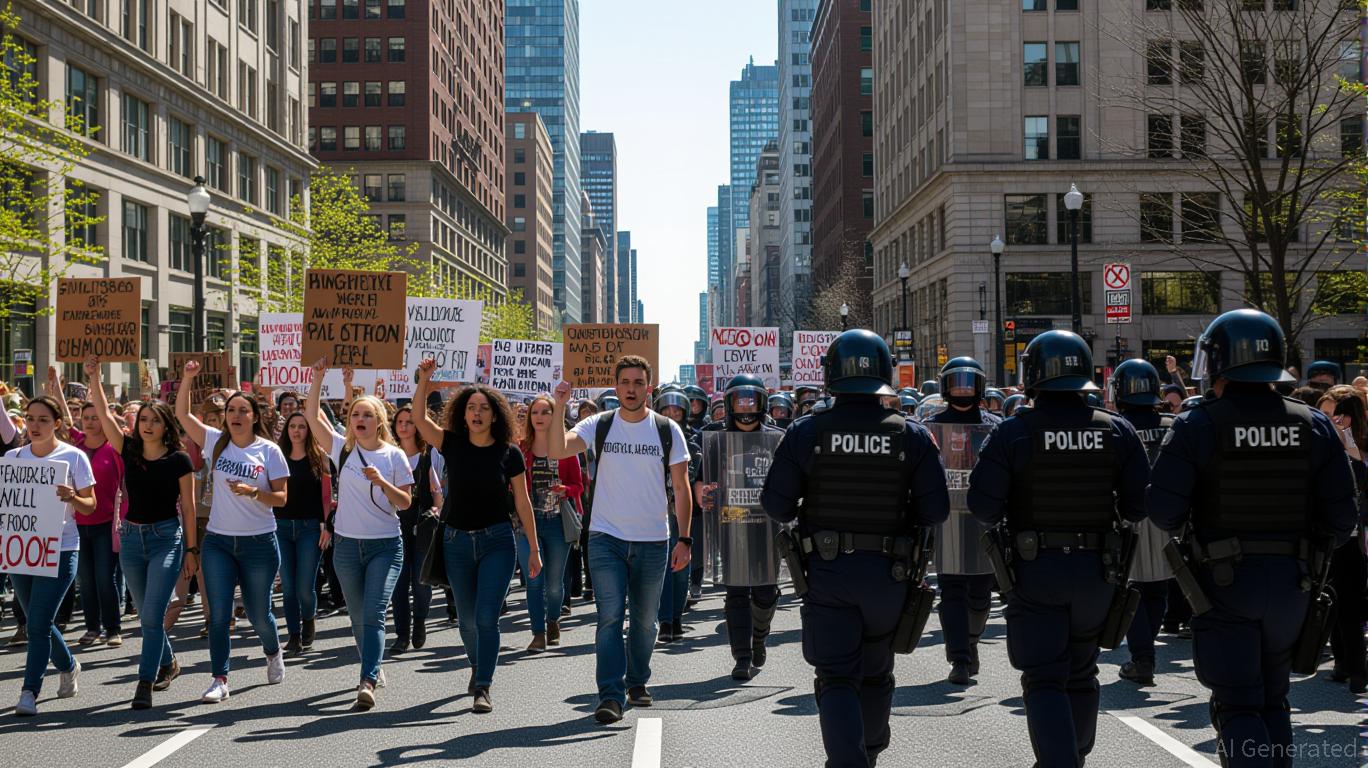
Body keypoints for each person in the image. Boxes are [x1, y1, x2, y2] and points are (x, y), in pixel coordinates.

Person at [1147, 309, 1357, 766]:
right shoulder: (1313, 424)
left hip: (1223, 584)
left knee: (1239, 703)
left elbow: (1162, 511)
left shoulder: (1198, 424)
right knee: (1273, 699)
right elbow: (1343, 520)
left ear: (1219, 364)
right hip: (1293, 583)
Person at [762, 330, 950, 767]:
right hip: (889, 574)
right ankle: (870, 753)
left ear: (830, 374)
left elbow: (776, 505)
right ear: (885, 373)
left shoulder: (806, 432)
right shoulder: (912, 435)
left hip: (828, 574)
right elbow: (936, 511)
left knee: (837, 678)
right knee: (877, 671)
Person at [968, 330, 1150, 768]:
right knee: (1082, 671)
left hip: (1036, 570)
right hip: (1097, 570)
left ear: (1032, 376)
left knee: (1045, 678)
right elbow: (1137, 506)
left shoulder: (1013, 433)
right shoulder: (1116, 430)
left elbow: (983, 507)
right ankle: (1074, 757)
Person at [548, 355, 692, 725]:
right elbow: (557, 449)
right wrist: (560, 406)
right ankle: (610, 695)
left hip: (653, 541)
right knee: (610, 617)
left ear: (649, 388)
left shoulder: (667, 430)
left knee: (645, 622)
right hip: (605, 538)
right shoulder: (599, 424)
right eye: (625, 382)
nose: (631, 389)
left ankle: (637, 680)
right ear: (616, 386)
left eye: (638, 383)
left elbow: (681, 487)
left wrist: (685, 538)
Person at [412, 361, 541, 714]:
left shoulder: (510, 453)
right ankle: (477, 663)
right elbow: (420, 420)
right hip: (456, 543)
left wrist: (534, 548)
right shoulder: (450, 443)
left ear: (495, 415)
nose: (477, 413)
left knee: (486, 618)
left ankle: (483, 685)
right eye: (472, 407)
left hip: (497, 542)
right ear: (463, 414)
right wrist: (424, 381)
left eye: (484, 408)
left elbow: (522, 501)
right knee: (467, 621)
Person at [175, 361, 289, 705]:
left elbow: (281, 498)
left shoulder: (269, 451)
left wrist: (254, 492)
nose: (236, 415)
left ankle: (272, 650)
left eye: (242, 410)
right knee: (219, 613)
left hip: (259, 543)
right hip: (219, 542)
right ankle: (219, 678)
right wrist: (187, 379)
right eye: (231, 410)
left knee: (258, 614)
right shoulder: (214, 441)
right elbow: (182, 415)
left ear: (254, 416)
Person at [85, 359, 196, 709]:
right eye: (143, 420)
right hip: (132, 540)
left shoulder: (179, 460)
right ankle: (169, 661)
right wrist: (94, 378)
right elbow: (104, 413)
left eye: (155, 420)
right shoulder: (128, 450)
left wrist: (191, 550)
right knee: (148, 616)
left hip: (166, 539)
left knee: (151, 616)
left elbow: (189, 508)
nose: (147, 425)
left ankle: (144, 682)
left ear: (166, 426)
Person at [303, 360, 412, 709]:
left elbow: (405, 502)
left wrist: (382, 482)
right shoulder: (342, 449)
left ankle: (368, 679)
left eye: (366, 415)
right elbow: (311, 416)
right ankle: (373, 664)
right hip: (347, 546)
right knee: (357, 615)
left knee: (374, 612)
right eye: (355, 415)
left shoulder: (395, 456)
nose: (359, 419)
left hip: (385, 547)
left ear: (378, 421)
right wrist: (318, 377)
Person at [7, 396, 96, 716]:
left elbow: (91, 505)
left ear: (57, 423)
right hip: (20, 549)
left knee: (38, 623)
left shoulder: (73, 457)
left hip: (60, 548)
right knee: (38, 621)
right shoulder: (13, 457)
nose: (34, 425)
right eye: (30, 418)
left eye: (43, 420)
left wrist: (72, 497)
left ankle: (29, 691)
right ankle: (69, 665)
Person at [698, 374, 784, 679]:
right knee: (736, 593)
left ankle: (759, 637)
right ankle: (742, 657)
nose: (746, 406)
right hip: (731, 524)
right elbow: (700, 480)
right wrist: (702, 493)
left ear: (761, 403)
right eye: (740, 400)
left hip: (768, 526)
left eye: (751, 400)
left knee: (765, 593)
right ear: (730, 404)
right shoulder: (716, 440)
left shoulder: (778, 438)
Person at [926, 357, 1000, 687]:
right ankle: (959, 658)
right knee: (952, 592)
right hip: (947, 521)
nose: (963, 390)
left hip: (984, 519)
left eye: (969, 383)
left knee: (981, 596)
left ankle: (970, 641)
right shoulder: (931, 427)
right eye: (956, 383)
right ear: (946, 387)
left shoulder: (995, 426)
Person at [42, 366, 127, 650]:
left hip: (105, 524)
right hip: (78, 524)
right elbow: (64, 418)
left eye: (95, 417)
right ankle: (92, 627)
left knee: (104, 578)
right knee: (87, 581)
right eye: (86, 418)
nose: (90, 422)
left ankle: (113, 628)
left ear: (105, 420)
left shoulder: (115, 449)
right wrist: (55, 386)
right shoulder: (76, 444)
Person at [1108, 359, 1175, 687]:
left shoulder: (1115, 427)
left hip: (1128, 517)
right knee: (1159, 587)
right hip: (1168, 516)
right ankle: (1146, 651)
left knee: (1130, 589)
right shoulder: (1174, 424)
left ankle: (1142, 658)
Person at [516, 394, 583, 651]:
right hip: (527, 524)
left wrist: (565, 490)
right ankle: (538, 633)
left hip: (557, 523)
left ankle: (553, 619)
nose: (539, 417)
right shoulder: (521, 449)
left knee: (554, 585)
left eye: (546, 412)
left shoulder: (566, 447)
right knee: (534, 581)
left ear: (555, 417)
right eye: (535, 412)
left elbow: (579, 486)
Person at [1318, 387, 1367, 694]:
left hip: (1349, 537)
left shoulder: (1346, 448)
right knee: (1341, 603)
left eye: (1337, 415)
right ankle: (1347, 665)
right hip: (1345, 536)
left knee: (1344, 604)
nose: (1333, 420)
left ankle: (1353, 668)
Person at [273, 412, 330, 655]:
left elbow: (327, 495)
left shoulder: (319, 458)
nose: (296, 431)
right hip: (281, 527)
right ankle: (294, 635)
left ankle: (309, 618)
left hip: (310, 528)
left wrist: (327, 526)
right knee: (288, 587)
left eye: (302, 426)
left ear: (309, 430)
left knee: (305, 587)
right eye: (292, 426)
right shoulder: (277, 457)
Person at [389, 403, 443, 654]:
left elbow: (437, 493)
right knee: (398, 585)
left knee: (421, 585)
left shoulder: (427, 456)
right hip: (394, 527)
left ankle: (420, 621)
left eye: (409, 422)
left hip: (421, 529)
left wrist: (435, 511)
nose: (404, 426)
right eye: (400, 422)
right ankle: (402, 635)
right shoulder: (388, 455)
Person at [652, 388, 700, 642]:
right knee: (662, 567)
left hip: (683, 510)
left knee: (682, 567)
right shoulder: (648, 439)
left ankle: (677, 617)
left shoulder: (694, 442)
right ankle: (665, 620)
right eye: (666, 410)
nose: (671, 414)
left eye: (676, 410)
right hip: (655, 511)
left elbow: (697, 479)